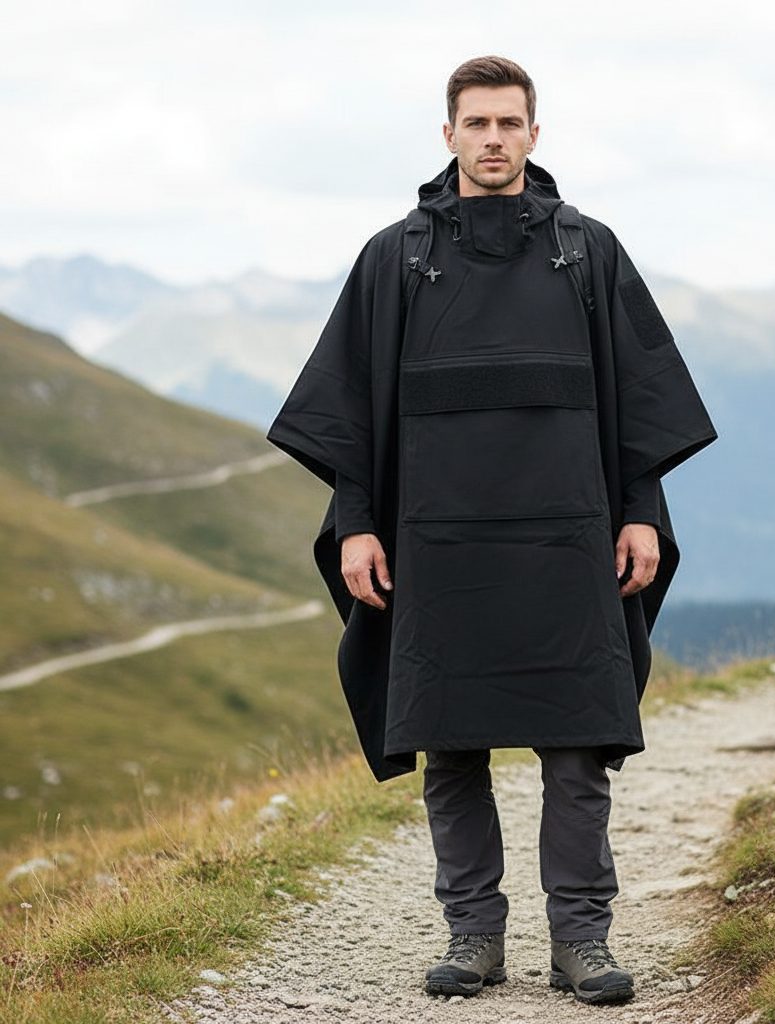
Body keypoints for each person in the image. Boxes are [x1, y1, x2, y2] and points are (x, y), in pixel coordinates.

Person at [266, 55, 717, 1005]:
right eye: (477, 125)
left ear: (535, 136)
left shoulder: (586, 252)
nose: (494, 141)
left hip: (568, 536)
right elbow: (348, 413)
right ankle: (472, 937)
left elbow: (635, 400)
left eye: (510, 124)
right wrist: (356, 526)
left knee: (578, 744)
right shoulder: (395, 259)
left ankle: (581, 944)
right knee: (451, 744)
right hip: (437, 541)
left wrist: (640, 510)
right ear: (449, 137)